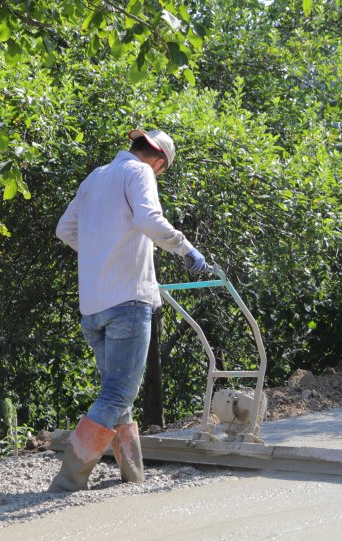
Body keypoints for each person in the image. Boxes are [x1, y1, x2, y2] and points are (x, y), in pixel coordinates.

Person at [50, 128, 207, 492]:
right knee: (117, 394)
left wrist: (101, 252)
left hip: (93, 305)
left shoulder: (96, 176)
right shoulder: (139, 173)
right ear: (158, 162)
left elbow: (65, 230)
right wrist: (186, 250)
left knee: (116, 392)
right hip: (128, 302)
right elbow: (149, 220)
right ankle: (69, 479)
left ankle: (133, 475)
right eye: (161, 171)